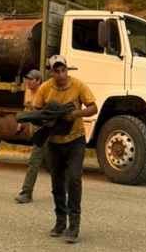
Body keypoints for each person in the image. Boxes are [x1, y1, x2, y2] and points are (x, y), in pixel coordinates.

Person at [33, 55, 97, 244]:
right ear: (51, 72)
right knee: (57, 183)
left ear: (67, 70)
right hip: (54, 142)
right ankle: (60, 221)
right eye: (56, 71)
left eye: (63, 70)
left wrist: (76, 114)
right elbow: (37, 111)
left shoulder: (78, 85)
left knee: (74, 179)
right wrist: (47, 120)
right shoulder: (45, 88)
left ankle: (74, 224)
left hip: (76, 139)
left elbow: (93, 107)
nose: (61, 75)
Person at [14, 69, 49, 204]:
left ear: (38, 81)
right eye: (27, 78)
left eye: (31, 79)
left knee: (33, 162)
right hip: (34, 132)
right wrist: (22, 122)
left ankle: (26, 192)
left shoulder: (45, 93)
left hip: (44, 132)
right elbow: (27, 109)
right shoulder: (27, 92)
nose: (28, 81)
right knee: (54, 163)